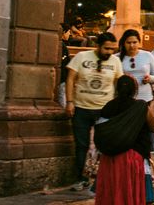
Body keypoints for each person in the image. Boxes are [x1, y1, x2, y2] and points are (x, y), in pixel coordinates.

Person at [65, 31, 123, 191]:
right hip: (82, 108)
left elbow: (119, 84)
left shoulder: (116, 61)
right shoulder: (82, 58)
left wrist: (117, 107)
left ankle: (99, 178)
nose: (109, 52)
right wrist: (69, 102)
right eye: (106, 49)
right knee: (81, 145)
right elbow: (70, 78)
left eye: (112, 49)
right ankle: (80, 178)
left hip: (104, 110)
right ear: (97, 46)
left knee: (102, 145)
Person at [94, 76, 154, 205]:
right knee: (128, 194)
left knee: (112, 193)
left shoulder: (108, 107)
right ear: (134, 90)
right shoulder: (140, 106)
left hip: (109, 159)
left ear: (117, 89)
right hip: (131, 158)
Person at [118, 29, 154, 102]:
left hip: (145, 99)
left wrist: (149, 78)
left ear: (139, 42)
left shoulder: (147, 55)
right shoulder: (117, 58)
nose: (131, 45)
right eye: (128, 42)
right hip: (124, 100)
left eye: (134, 42)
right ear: (124, 43)